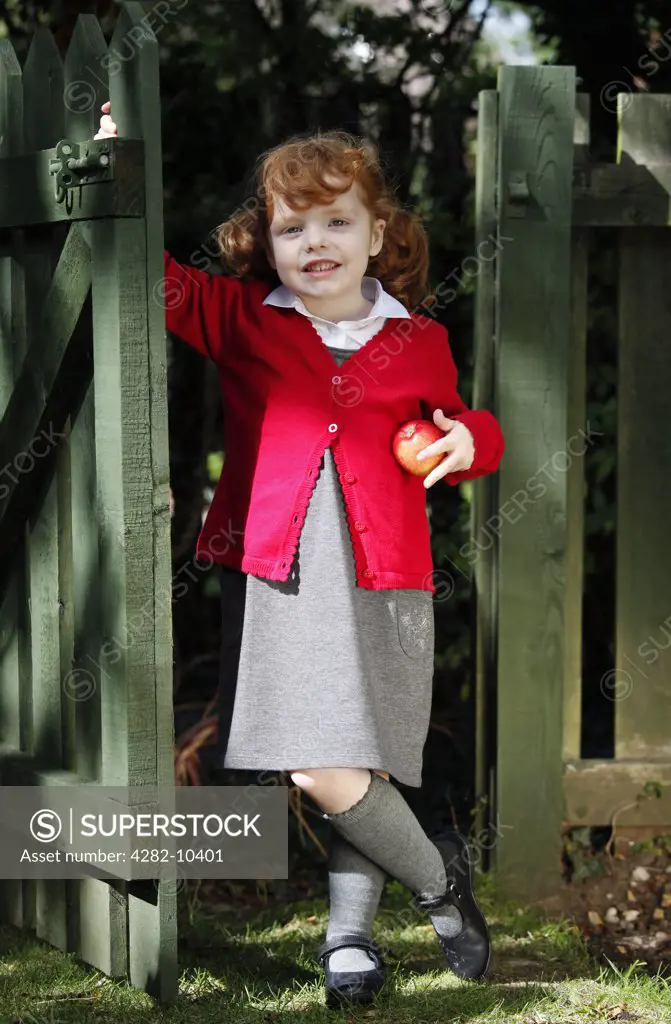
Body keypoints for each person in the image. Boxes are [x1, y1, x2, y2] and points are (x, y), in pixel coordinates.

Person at [95, 102, 505, 1007]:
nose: (314, 242)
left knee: (363, 755)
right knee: (319, 763)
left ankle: (349, 943)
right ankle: (439, 882)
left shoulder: (417, 338)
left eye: (336, 221)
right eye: (291, 227)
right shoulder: (240, 318)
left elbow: (464, 425)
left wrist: (472, 442)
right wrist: (113, 158)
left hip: (385, 575)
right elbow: (142, 271)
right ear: (265, 242)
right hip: (279, 570)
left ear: (378, 232)